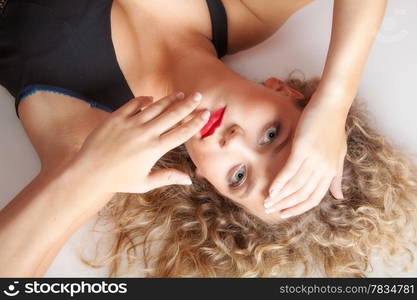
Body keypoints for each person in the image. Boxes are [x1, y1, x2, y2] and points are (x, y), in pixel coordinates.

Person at [0, 0, 398, 277]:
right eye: (272, 135)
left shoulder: (94, 135)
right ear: (284, 91)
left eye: (239, 176)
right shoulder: (246, 9)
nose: (234, 140)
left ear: (206, 178)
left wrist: (90, 175)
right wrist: (333, 100)